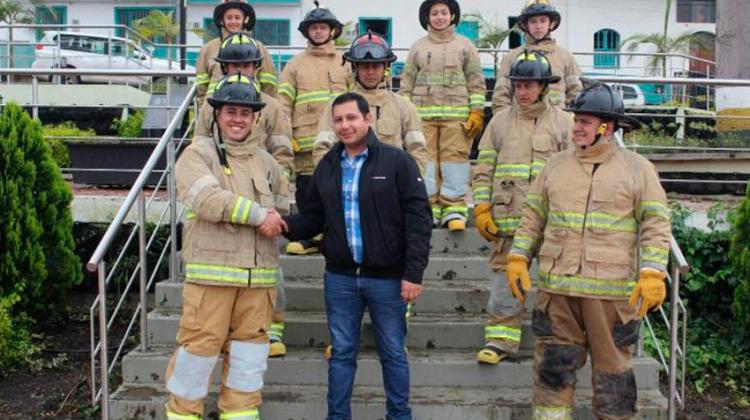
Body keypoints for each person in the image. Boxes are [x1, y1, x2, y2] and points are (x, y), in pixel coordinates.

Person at [506, 83, 672, 419]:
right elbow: (533, 217)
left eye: (584, 121)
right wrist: (518, 257)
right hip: (558, 293)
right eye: (576, 120)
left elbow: (655, 223)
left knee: (613, 378)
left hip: (609, 298)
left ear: (606, 127)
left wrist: (653, 272)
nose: (576, 127)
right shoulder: (555, 166)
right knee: (552, 373)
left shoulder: (638, 169)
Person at [278, 92, 432, 420]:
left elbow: (419, 221)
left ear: (368, 120)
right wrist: (282, 224)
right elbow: (314, 218)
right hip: (341, 279)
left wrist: (413, 273)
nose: (345, 126)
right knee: (342, 354)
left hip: (389, 280)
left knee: (392, 352)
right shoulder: (328, 167)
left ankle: (399, 416)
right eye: (338, 120)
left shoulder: (397, 162)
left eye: (351, 118)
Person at [164, 73, 289, 420]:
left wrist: (279, 216)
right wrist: (259, 214)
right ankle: (183, 414)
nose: (238, 119)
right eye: (231, 111)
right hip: (211, 280)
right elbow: (206, 199)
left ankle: (241, 414)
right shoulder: (197, 153)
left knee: (250, 355)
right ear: (217, 115)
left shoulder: (267, 162)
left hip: (259, 280)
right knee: (199, 350)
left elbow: (283, 207)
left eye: (245, 113)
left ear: (255, 118)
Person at [193, 32, 294, 358]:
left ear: (256, 66)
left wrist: (277, 202)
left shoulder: (273, 107)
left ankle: (272, 327)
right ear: (223, 67)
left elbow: (282, 154)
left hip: (263, 197)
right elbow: (200, 149)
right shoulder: (211, 107)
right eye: (232, 63)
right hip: (224, 198)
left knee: (270, 269)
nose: (239, 68)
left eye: (245, 64)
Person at [471, 50, 573, 365]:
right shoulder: (499, 123)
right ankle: (500, 341)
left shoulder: (564, 123)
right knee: (504, 282)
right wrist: (481, 206)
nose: (523, 92)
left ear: (543, 86)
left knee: (553, 283)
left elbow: (574, 175)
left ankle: (556, 340)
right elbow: (483, 168)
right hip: (506, 220)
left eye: (529, 85)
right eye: (518, 85)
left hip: (550, 224)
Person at [400, 0, 486, 231]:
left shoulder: (465, 46)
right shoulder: (417, 47)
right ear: (427, 18)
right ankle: (427, 208)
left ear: (452, 16)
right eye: (434, 13)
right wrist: (406, 118)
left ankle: (453, 208)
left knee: (454, 163)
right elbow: (406, 86)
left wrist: (477, 112)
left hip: (456, 120)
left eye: (444, 12)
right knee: (424, 163)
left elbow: (476, 84)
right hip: (422, 119)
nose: (439, 17)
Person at [278, 0, 352, 255]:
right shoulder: (295, 65)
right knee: (308, 190)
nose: (318, 32)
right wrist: (287, 135)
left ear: (332, 31)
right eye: (314, 28)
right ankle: (309, 237)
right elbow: (283, 103)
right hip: (305, 142)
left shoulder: (347, 61)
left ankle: (333, 234)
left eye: (323, 27)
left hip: (341, 142)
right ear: (307, 32)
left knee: (339, 188)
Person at [314, 31, 428, 175]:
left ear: (385, 67)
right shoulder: (337, 106)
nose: (370, 72)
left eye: (376, 66)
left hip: (392, 186)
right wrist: (332, 182)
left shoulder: (403, 107)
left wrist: (410, 183)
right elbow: (322, 149)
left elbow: (417, 149)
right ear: (355, 68)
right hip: (350, 185)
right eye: (365, 66)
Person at [491, 0, 582, 113]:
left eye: (543, 21)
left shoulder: (566, 57)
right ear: (526, 25)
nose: (538, 26)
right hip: (521, 125)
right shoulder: (512, 57)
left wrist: (568, 122)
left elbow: (576, 94)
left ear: (551, 23)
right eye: (533, 22)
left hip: (555, 127)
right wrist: (505, 123)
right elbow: (501, 95)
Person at [195, 0, 278, 106]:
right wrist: (205, 108)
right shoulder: (208, 49)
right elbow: (202, 86)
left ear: (244, 20)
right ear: (222, 20)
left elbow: (268, 85)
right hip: (215, 108)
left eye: (237, 17)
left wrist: (266, 110)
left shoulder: (259, 48)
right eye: (229, 17)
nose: (233, 21)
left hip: (249, 108)